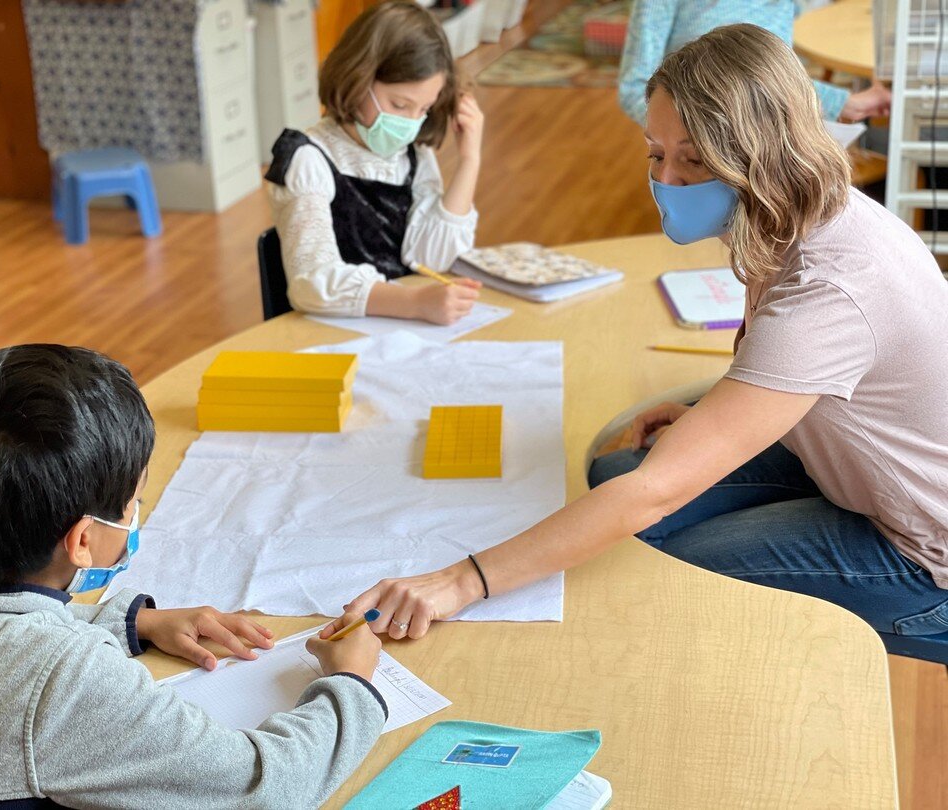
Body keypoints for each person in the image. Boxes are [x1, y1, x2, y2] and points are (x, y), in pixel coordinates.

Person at [330, 24, 948, 646]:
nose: (667, 180)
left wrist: (462, 581)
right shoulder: (802, 210)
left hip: (922, 552)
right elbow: (804, 376)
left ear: (763, 152)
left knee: (660, 563)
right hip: (849, 466)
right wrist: (710, 415)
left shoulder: (832, 285)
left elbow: (654, 494)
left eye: (695, 160)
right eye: (656, 153)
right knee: (614, 484)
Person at [0, 345, 385, 806]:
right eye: (134, 501)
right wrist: (350, 683)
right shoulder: (67, 682)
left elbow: (3, 645)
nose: (137, 512)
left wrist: (134, 622)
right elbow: (266, 786)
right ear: (84, 540)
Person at [265, 1, 484, 325]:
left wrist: (470, 160)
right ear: (357, 77)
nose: (411, 122)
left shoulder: (412, 155)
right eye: (400, 104)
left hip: (398, 331)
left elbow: (432, 259)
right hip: (334, 335)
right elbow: (311, 283)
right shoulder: (308, 159)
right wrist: (414, 302)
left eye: (423, 109)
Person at [617, 0, 891, 125]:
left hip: (773, 151)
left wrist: (844, 103)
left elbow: (767, 82)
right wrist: (692, 136)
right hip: (703, 155)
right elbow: (633, 88)